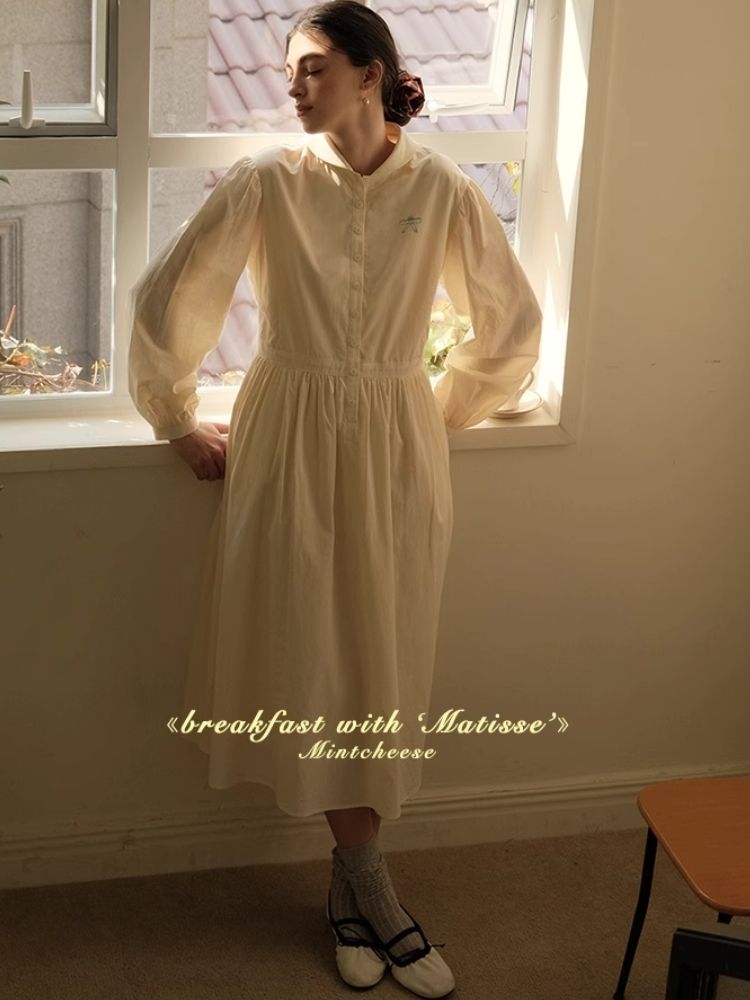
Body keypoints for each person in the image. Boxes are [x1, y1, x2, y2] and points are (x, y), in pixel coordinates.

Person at [128, 2, 542, 996]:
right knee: (311, 654)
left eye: (312, 67)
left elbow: (511, 328)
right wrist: (176, 419)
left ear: (370, 74)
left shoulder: (440, 188)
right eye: (289, 71)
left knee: (380, 658)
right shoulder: (269, 181)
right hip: (289, 440)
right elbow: (170, 298)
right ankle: (371, 889)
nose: (293, 86)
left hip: (397, 446)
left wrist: (432, 411)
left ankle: (350, 890)